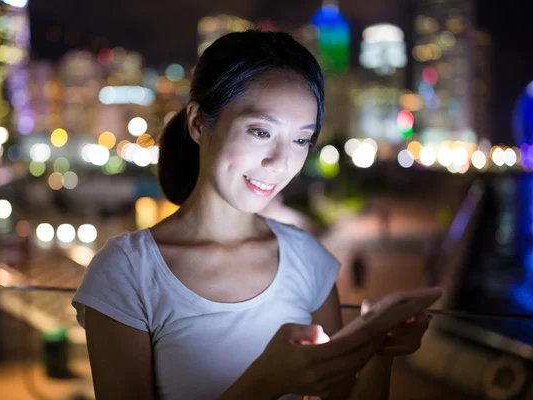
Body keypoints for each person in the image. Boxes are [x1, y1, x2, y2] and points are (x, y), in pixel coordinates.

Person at [72, 30, 431, 400]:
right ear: (198, 123)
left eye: (301, 139)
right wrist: (264, 384)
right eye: (261, 131)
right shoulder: (127, 272)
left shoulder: (307, 258)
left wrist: (378, 348)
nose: (280, 162)